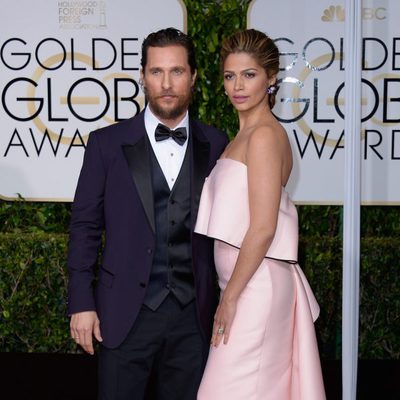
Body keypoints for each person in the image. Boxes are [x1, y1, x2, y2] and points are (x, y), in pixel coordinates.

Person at [67, 27, 228, 400]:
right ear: (142, 76)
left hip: (194, 318)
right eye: (156, 72)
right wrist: (81, 302)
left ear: (193, 76)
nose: (166, 83)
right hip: (122, 314)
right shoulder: (106, 144)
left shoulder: (217, 144)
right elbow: (85, 226)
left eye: (176, 71)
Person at [195, 29, 326, 399]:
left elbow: (264, 226)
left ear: (271, 78)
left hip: (255, 286)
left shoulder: (266, 136)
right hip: (245, 283)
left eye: (249, 75)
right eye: (229, 75)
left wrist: (231, 297)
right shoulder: (242, 137)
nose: (238, 85)